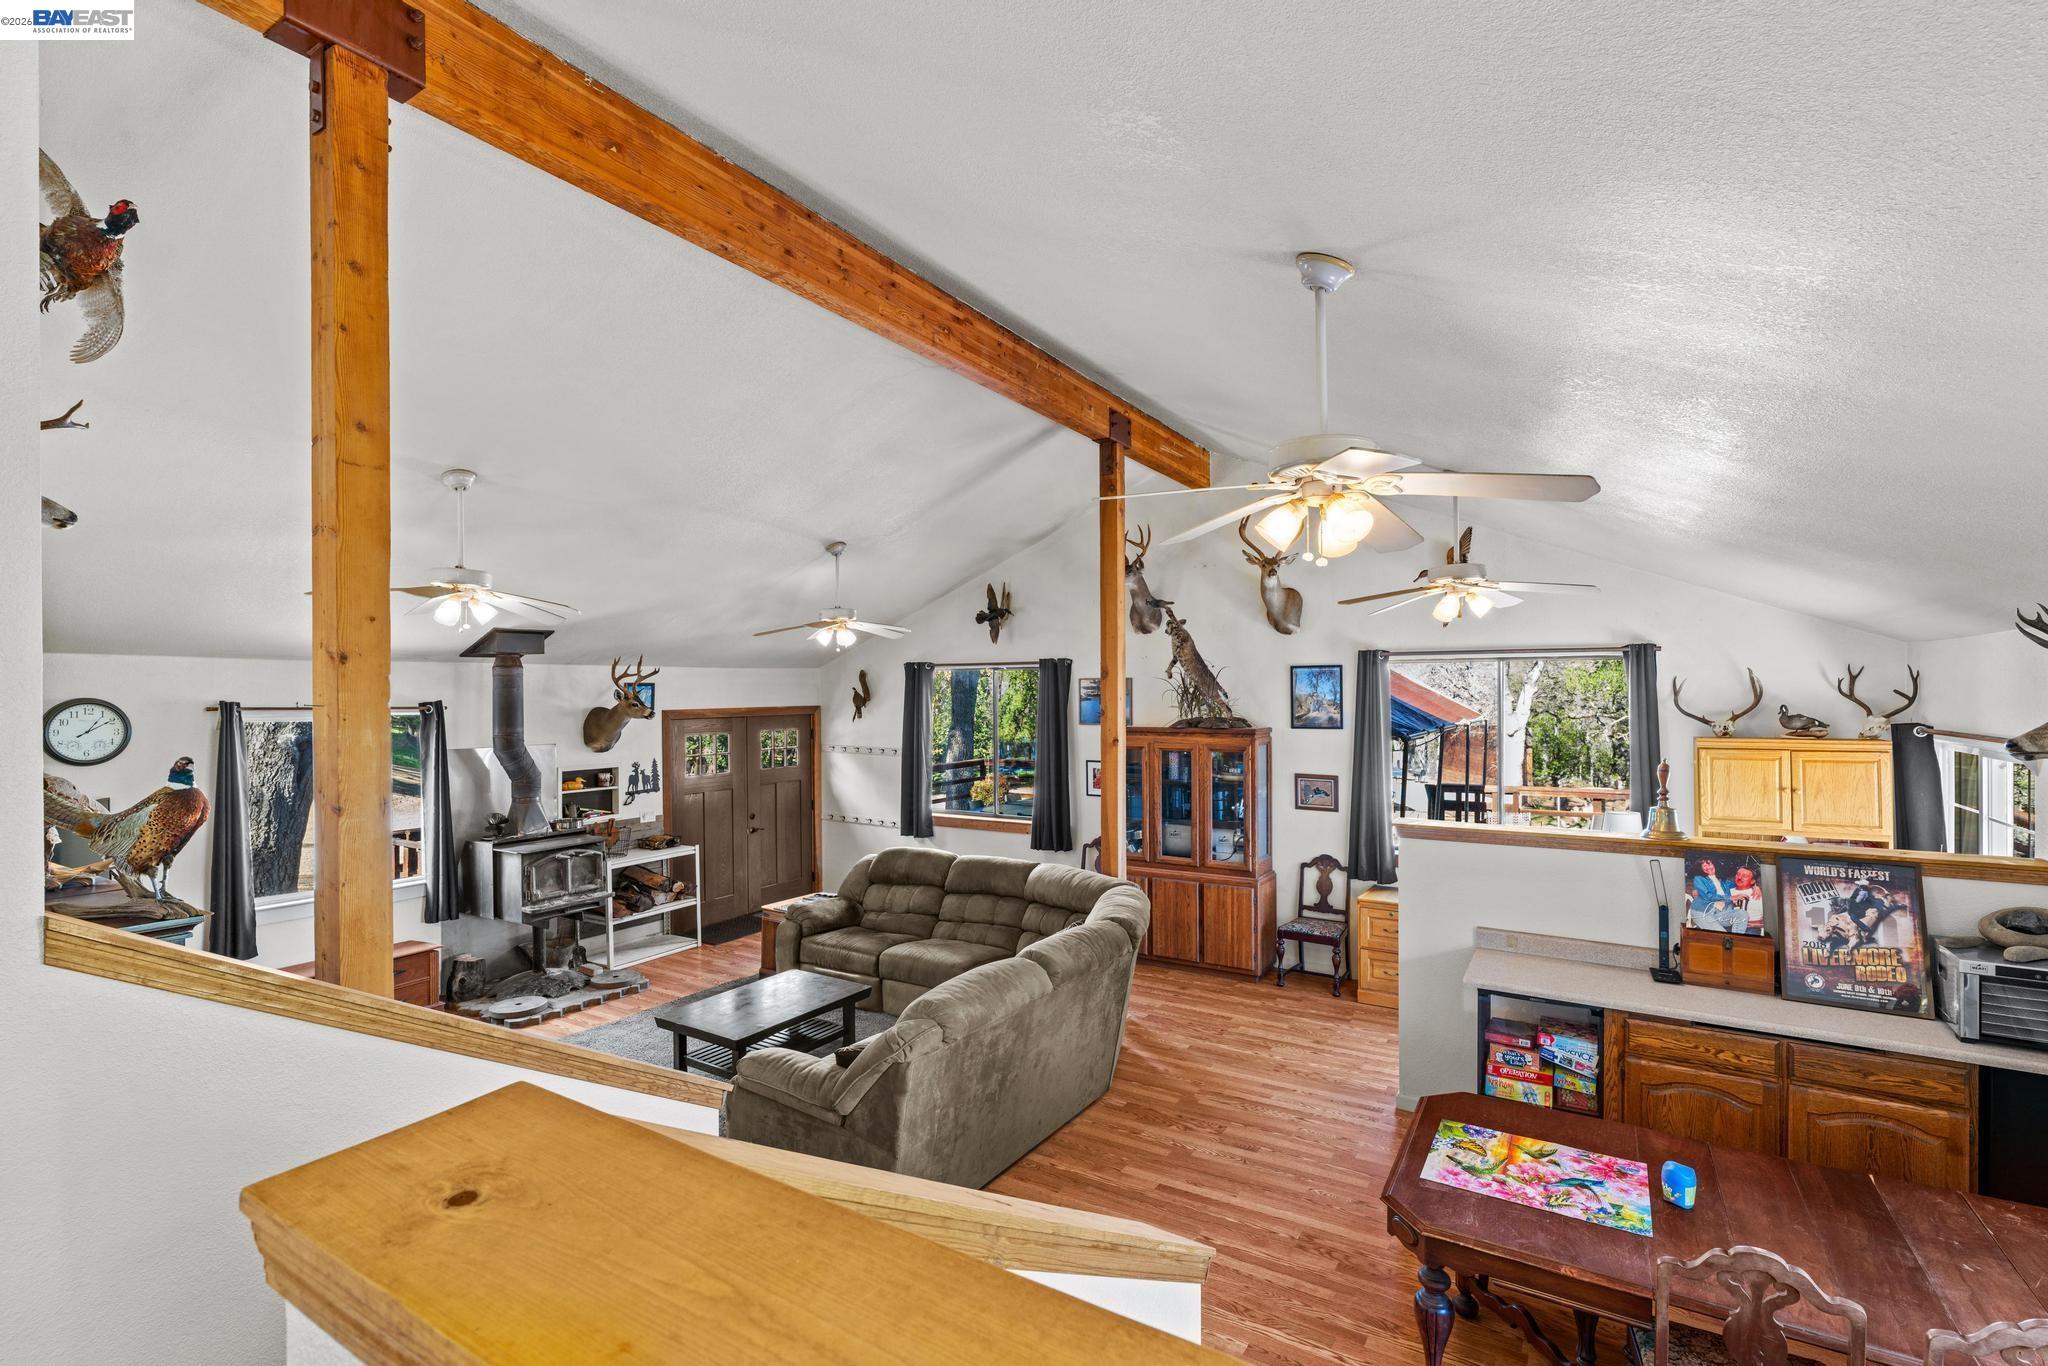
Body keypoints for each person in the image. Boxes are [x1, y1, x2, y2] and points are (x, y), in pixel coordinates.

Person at [1689, 858, 1745, 932]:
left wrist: (1754, 886)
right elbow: (1709, 896)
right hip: (1703, 913)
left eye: (1709, 864)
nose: (1708, 867)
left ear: (1715, 865)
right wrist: (1730, 897)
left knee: (1742, 914)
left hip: (1720, 914)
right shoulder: (1699, 879)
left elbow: (1741, 885)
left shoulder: (1724, 881)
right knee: (1722, 935)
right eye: (1704, 866)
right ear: (1701, 869)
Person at [1730, 864, 1765, 933]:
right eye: (1738, 874)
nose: (1739, 877)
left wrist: (1754, 925)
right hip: (1730, 926)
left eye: (1744, 876)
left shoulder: (1758, 894)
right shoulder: (1728, 891)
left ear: (1752, 881)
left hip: (1750, 928)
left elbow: (1769, 921)